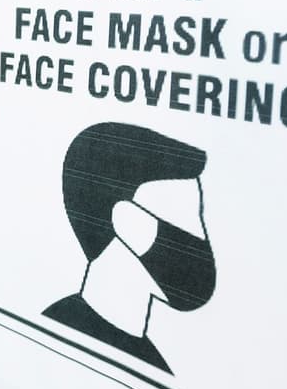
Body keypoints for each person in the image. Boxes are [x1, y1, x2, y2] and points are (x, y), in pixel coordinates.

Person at [43, 121, 217, 374]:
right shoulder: (60, 329)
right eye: (186, 224)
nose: (199, 243)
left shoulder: (150, 361)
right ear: (129, 223)